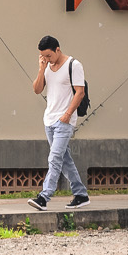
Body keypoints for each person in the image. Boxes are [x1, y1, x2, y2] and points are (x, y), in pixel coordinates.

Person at [27, 35, 89, 211]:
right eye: (43, 56)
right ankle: (81, 194)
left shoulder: (73, 65)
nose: (46, 59)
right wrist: (41, 69)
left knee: (54, 158)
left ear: (57, 50)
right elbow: (37, 89)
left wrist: (68, 115)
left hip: (65, 120)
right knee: (64, 159)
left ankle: (44, 197)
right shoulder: (46, 66)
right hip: (49, 120)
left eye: (48, 55)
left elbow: (80, 92)